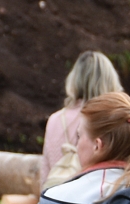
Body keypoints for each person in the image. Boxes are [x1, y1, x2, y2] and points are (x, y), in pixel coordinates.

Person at [41, 51, 123, 191]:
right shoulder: (114, 119)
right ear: (110, 80)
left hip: (57, 197)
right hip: (97, 199)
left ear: (74, 80)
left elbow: (45, 174)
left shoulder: (55, 120)